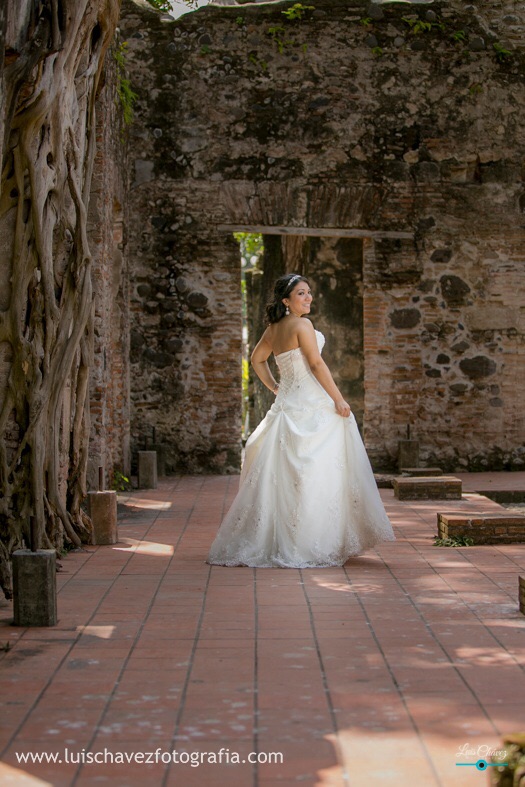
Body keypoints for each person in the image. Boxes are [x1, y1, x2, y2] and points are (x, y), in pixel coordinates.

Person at [207, 273, 395, 568]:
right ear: (286, 301)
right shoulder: (302, 325)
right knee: (317, 472)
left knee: (287, 475)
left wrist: (275, 388)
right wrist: (338, 399)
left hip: (286, 405)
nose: (308, 298)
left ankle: (289, 537)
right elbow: (316, 363)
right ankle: (312, 540)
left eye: (309, 293)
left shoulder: (274, 329)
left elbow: (257, 360)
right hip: (311, 404)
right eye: (301, 294)